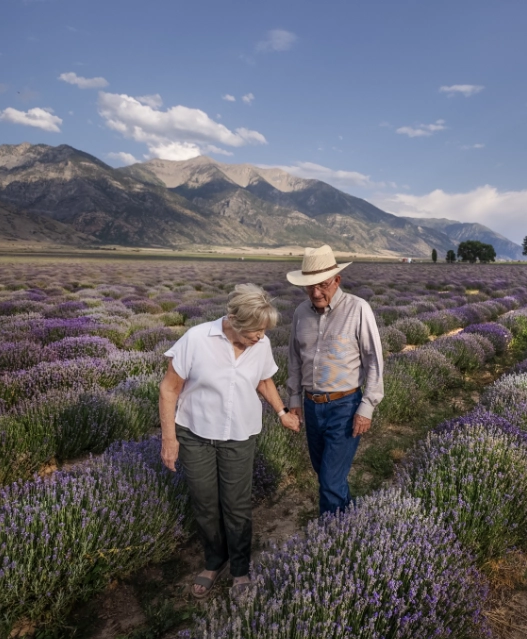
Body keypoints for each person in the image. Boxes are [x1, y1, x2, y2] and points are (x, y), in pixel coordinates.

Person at [159, 283, 300, 598]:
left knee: (236, 505)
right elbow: (169, 389)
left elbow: (264, 380)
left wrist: (281, 412)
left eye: (264, 330)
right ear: (234, 320)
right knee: (205, 503)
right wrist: (169, 437)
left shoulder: (259, 344)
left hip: (239, 435)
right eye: (255, 331)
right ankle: (214, 560)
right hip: (195, 434)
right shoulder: (196, 339)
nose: (261, 337)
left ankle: (239, 568)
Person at [286, 245, 384, 515]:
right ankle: (350, 525)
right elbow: (294, 359)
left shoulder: (358, 309)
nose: (316, 293)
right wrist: (294, 398)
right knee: (327, 474)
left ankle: (331, 540)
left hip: (345, 405)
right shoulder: (300, 314)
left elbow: (374, 360)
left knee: (329, 480)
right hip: (311, 405)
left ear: (337, 280)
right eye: (310, 287)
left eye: (323, 285)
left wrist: (367, 407)